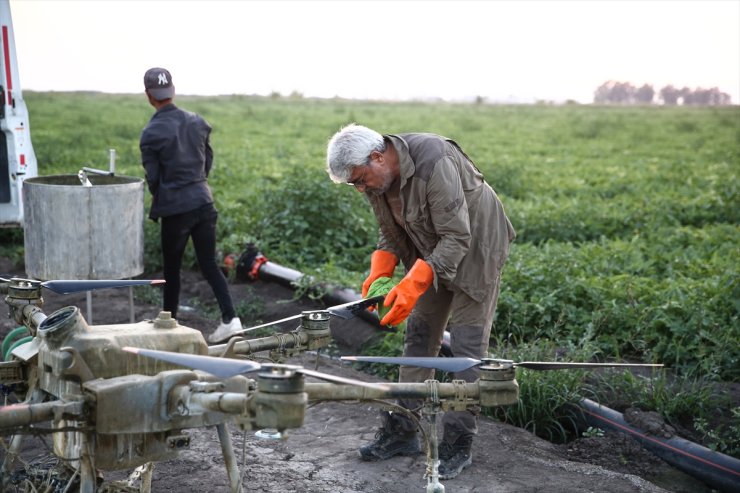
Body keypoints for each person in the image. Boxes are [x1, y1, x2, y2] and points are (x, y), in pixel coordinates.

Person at [326, 124, 515, 480]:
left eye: (360, 180)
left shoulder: (434, 161)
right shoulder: (377, 178)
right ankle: (403, 431)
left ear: (378, 157)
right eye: (355, 184)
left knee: (465, 348)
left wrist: (414, 282)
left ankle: (459, 443)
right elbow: (391, 228)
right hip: (433, 248)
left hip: (476, 249)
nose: (360, 188)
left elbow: (458, 236)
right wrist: (382, 263)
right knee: (419, 337)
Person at [139, 67, 241, 344]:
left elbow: (154, 179)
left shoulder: (151, 133)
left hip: (176, 209)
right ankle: (231, 320)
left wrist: (168, 195)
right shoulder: (198, 121)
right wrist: (196, 184)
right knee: (208, 262)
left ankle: (168, 324)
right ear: (172, 91)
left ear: (149, 96)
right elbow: (207, 161)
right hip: (204, 202)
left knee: (171, 268)